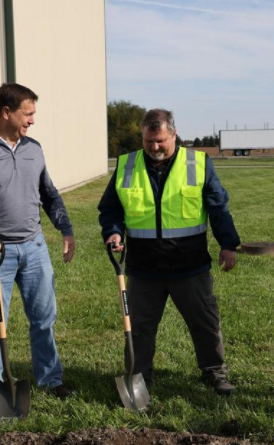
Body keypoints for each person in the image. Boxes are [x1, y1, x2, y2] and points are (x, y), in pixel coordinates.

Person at [0, 83, 76, 414]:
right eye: (28, 113)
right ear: (7, 112)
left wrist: (65, 228)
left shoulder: (34, 148)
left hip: (34, 248)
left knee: (44, 318)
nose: (32, 120)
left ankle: (50, 378)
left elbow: (48, 193)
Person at [98, 108, 241, 396]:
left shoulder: (198, 163)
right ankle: (139, 376)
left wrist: (227, 244)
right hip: (143, 267)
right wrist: (113, 231)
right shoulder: (127, 165)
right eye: (149, 141)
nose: (154, 147)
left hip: (190, 265)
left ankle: (214, 372)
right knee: (138, 329)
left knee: (205, 324)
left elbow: (217, 206)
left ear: (174, 134)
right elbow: (110, 208)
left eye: (161, 140)